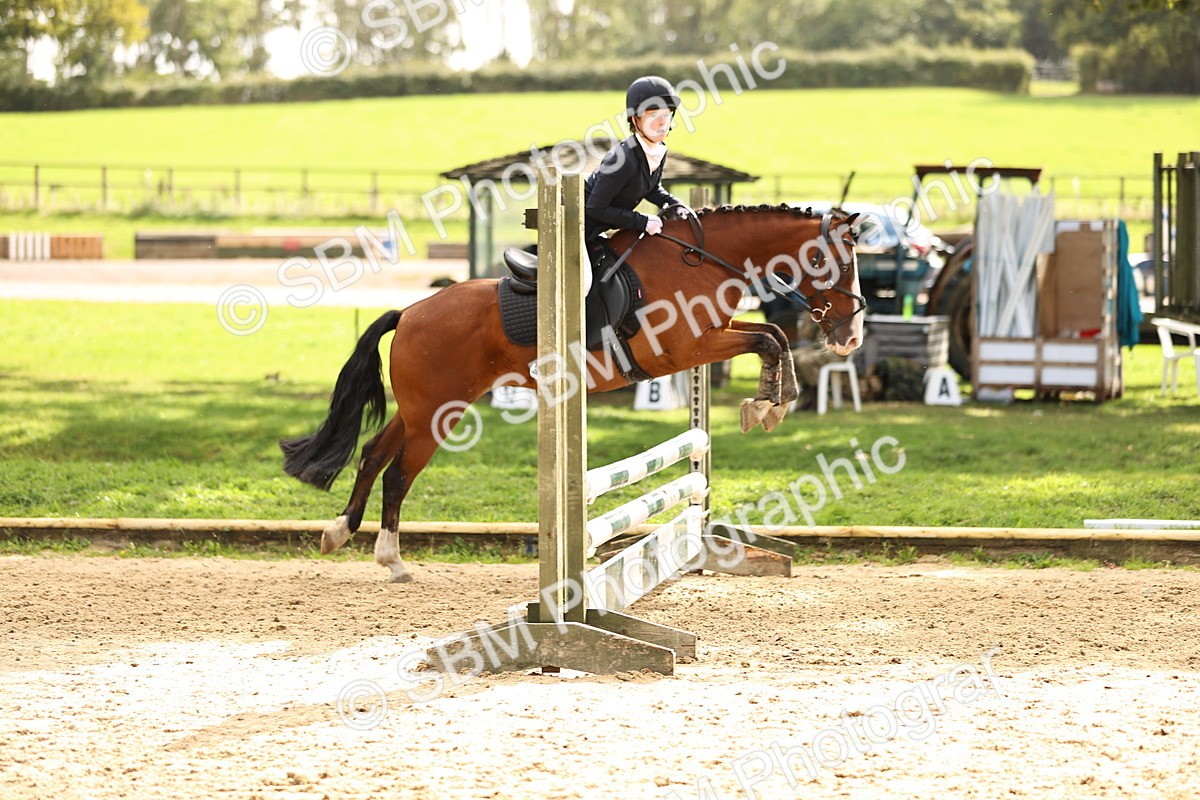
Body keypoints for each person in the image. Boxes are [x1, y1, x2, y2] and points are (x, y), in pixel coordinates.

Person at [582, 75, 686, 290]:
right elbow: (594, 208)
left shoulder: (657, 150)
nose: (661, 121)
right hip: (579, 230)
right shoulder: (623, 159)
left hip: (602, 231)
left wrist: (675, 204)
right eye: (653, 115)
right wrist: (642, 221)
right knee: (588, 285)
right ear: (635, 120)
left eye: (666, 115)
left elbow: (651, 187)